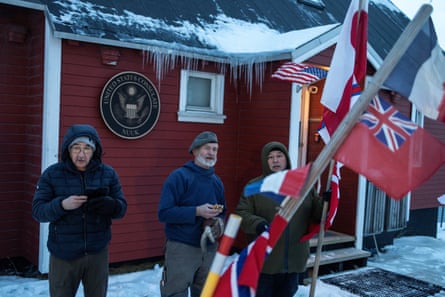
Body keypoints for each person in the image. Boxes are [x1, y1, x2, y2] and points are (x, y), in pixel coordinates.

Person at [32, 124, 127, 297]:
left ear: (95, 150)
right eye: (76, 148)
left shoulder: (108, 174)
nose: (81, 154)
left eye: (87, 148)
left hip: (97, 252)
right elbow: (38, 211)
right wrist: (62, 205)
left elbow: (121, 208)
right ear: (68, 149)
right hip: (63, 254)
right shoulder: (52, 174)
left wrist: (110, 205)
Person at [235, 141, 325, 297]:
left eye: (279, 156)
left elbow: (317, 215)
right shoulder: (255, 186)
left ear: (286, 159)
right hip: (265, 262)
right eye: (270, 157)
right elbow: (242, 213)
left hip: (293, 260)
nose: (275, 160)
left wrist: (325, 202)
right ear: (265, 161)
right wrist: (257, 224)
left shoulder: (302, 185)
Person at [158, 131, 226, 297]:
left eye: (215, 149)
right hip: (182, 248)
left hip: (209, 250)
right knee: (175, 293)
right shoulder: (179, 177)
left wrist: (217, 223)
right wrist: (197, 211)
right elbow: (164, 213)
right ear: (195, 151)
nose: (211, 153)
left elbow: (223, 212)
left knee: (206, 293)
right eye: (207, 148)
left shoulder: (217, 182)